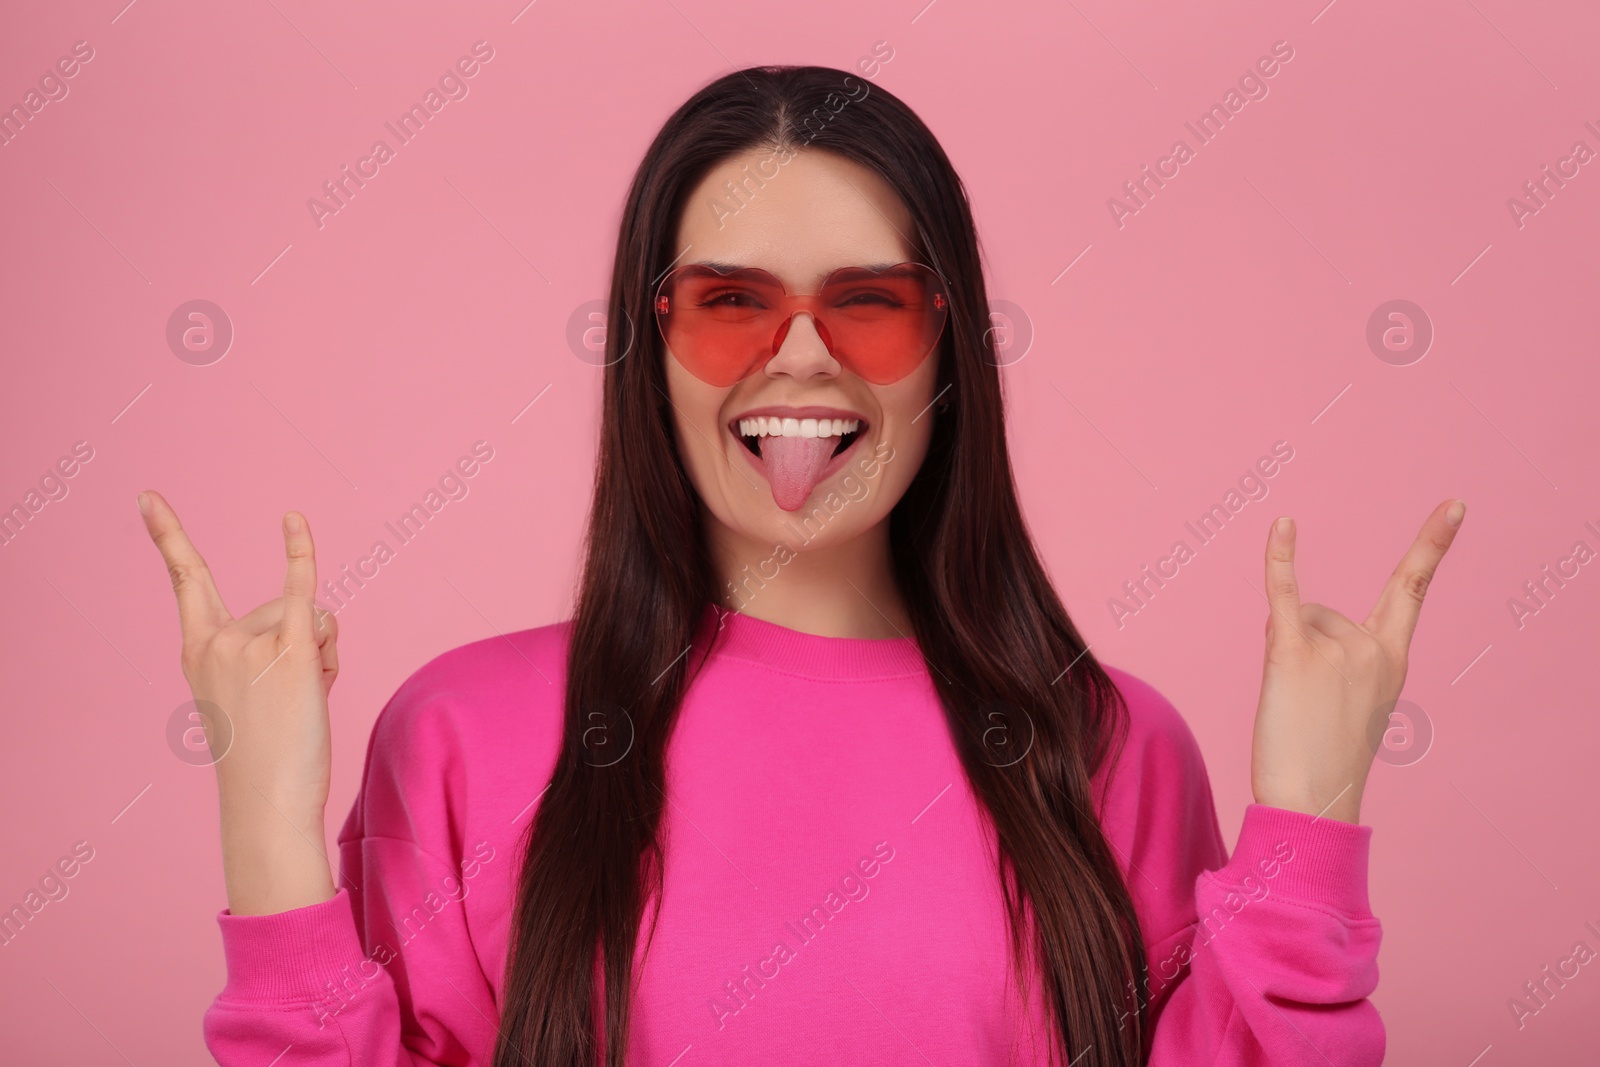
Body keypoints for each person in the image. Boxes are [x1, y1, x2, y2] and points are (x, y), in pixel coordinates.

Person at [139, 65, 1464, 1066]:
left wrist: (1310, 816)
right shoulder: (462, 735)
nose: (802, 356)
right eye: (732, 304)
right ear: (646, 347)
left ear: (948, 347)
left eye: (869, 302)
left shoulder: (1109, 744)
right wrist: (264, 823)